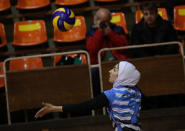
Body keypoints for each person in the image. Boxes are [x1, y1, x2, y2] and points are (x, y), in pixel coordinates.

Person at [35, 61, 142, 131]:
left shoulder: (112, 95)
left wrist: (54, 108)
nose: (110, 71)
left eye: (114, 69)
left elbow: (84, 106)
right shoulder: (137, 92)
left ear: (122, 76)